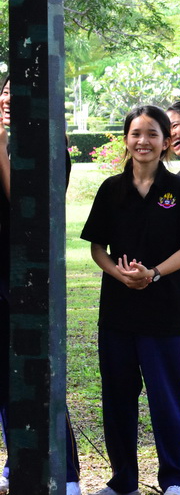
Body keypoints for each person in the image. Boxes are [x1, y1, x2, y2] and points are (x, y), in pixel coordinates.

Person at [81, 105, 180, 495]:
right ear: (126, 140)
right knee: (118, 399)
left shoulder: (178, 189)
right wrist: (118, 274)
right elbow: (97, 247)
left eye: (152, 134)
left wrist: (153, 274)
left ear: (166, 141)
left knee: (167, 399)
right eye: (136, 133)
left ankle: (177, 480)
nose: (143, 141)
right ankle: (123, 481)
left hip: (164, 312)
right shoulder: (111, 189)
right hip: (117, 313)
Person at [0, 76, 81, 495]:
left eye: (19, 90)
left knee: (37, 376)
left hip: (28, 278)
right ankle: (16, 464)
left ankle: (66, 474)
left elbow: (24, 208)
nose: (9, 97)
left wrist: (0, 146)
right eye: (5, 89)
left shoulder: (51, 147)